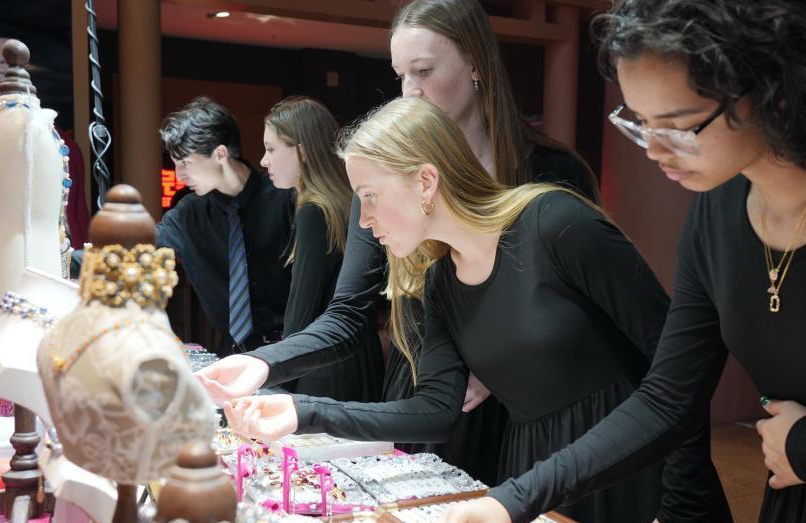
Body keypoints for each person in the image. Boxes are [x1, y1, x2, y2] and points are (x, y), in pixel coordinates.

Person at [420, 1, 806, 523]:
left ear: (777, 87)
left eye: (678, 126)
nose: (654, 150)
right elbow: (668, 397)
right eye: (638, 123)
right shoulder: (719, 210)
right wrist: (510, 502)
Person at [218, 96, 719, 523]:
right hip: (533, 480)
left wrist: (684, 510)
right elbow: (434, 411)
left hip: (635, 470)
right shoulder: (440, 279)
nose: (365, 221)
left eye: (370, 196)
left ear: (426, 182)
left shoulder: (555, 222)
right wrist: (302, 411)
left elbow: (678, 374)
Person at [198, 0, 597, 489]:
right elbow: (349, 312)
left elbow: (584, 321)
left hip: (522, 411)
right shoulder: (383, 174)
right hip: (423, 395)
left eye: (424, 71)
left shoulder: (552, 178)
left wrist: (502, 364)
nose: (411, 91)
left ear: (476, 64)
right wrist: (265, 361)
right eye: (401, 75)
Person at [259, 96, 383, 401]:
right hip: (359, 358)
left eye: (271, 149)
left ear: (302, 151)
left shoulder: (315, 211)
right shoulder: (345, 202)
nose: (263, 161)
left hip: (325, 371)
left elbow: (301, 311)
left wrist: (277, 378)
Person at [156, 96, 294, 355]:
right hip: (234, 352)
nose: (179, 176)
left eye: (185, 163)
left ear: (220, 154)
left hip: (296, 351)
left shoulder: (285, 197)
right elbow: (137, 249)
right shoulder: (189, 214)